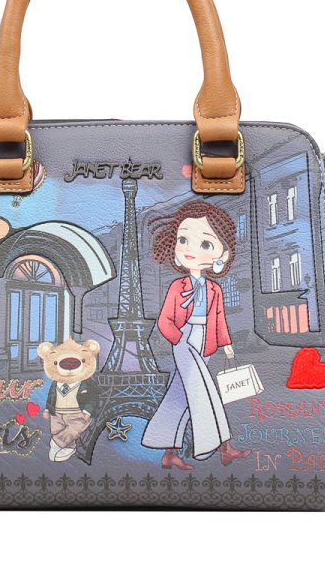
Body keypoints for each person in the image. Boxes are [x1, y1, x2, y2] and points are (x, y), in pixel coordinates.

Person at [141, 201, 252, 469]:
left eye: (205, 243)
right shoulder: (177, 286)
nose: (190, 249)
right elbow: (165, 319)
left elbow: (219, 318)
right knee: (204, 391)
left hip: (206, 340)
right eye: (183, 240)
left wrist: (226, 345)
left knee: (179, 395)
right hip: (185, 339)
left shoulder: (214, 289)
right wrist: (179, 339)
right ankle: (221, 447)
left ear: (222, 254)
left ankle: (168, 452)